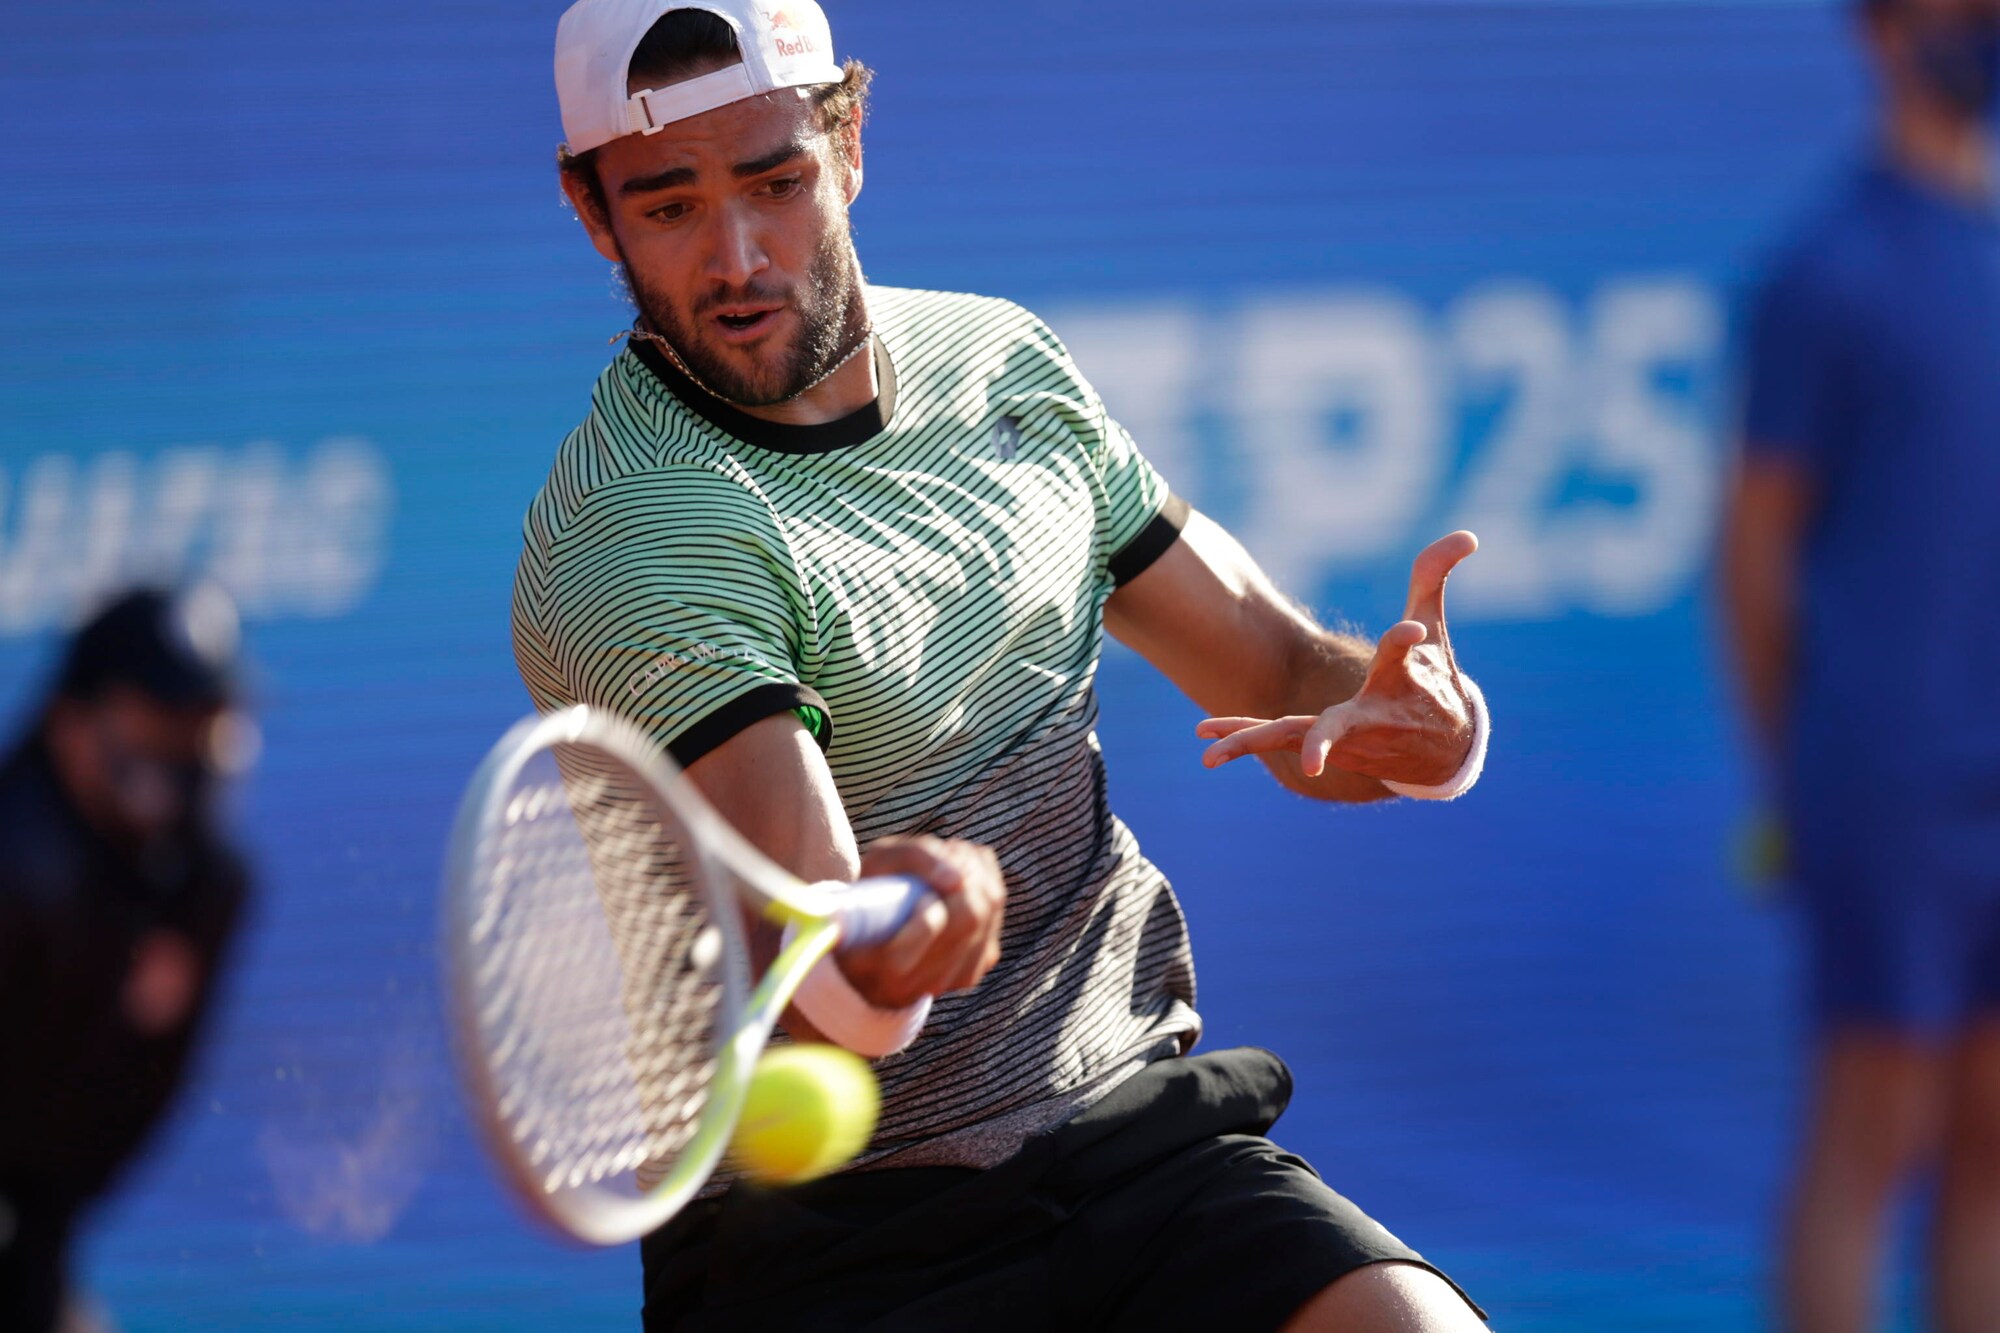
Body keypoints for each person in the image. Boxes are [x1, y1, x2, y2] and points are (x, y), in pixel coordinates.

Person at [514, 3, 1492, 1326]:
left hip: (1131, 1139)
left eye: (774, 183)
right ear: (593, 213)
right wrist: (889, 951)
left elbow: (1276, 674)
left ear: (849, 141)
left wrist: (1424, 737)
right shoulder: (637, 532)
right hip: (836, 1241)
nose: (736, 259)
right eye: (670, 206)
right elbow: (808, 959)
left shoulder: (1002, 365)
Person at [1722, 1, 2000, 1329]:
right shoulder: (1827, 272)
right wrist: (1811, 778)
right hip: (1889, 785)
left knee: (1990, 1135)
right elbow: (1754, 551)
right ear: (1884, 33)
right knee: (1873, 1125)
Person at [0, 587, 254, 1333]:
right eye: (157, 717)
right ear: (71, 724)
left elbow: (118, 1112)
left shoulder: (201, 889)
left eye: (201, 723)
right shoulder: (16, 875)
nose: (182, 750)